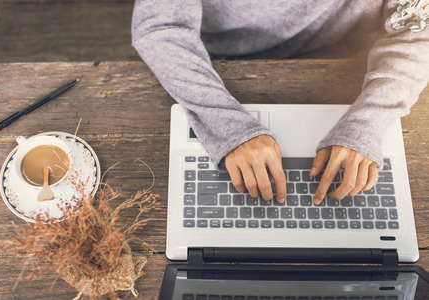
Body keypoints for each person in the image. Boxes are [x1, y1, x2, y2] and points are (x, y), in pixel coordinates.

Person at [131, 0, 429, 204]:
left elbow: (417, 34)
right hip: (212, 59)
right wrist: (228, 127)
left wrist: (367, 124)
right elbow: (161, 27)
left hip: (343, 58)